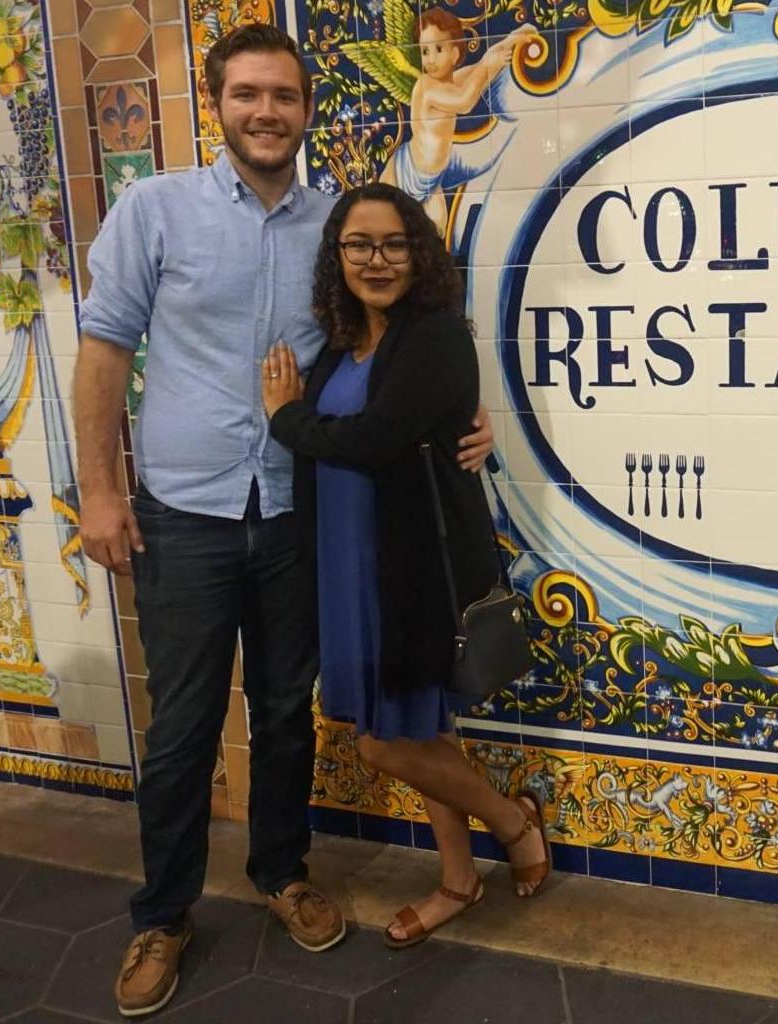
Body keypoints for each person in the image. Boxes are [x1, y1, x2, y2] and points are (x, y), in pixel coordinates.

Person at [72, 26, 493, 1019]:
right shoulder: (154, 209)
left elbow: (393, 339)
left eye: (284, 96)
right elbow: (103, 352)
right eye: (247, 94)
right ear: (217, 103)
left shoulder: (333, 225)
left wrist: (459, 421)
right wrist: (99, 491)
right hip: (186, 514)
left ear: (307, 110)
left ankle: (281, 872)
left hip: (298, 514)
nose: (267, 112)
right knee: (182, 728)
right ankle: (162, 916)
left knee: (281, 715)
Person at [261, 182, 551, 950]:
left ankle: (512, 823)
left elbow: (374, 440)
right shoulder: (340, 343)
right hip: (346, 567)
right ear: (338, 256)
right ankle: (459, 880)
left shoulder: (436, 336)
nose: (377, 260)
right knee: (421, 732)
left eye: (394, 244)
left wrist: (287, 418)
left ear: (419, 254)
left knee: (383, 741)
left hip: (406, 571)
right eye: (359, 245)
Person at [379, 7, 539, 234]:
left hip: (430, 182)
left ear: (455, 54)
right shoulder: (426, 86)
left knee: (436, 237)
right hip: (403, 173)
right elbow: (465, 101)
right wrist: (487, 66)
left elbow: (482, 69)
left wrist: (512, 40)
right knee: (385, 226)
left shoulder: (451, 81)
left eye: (438, 49)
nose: (430, 59)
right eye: (425, 51)